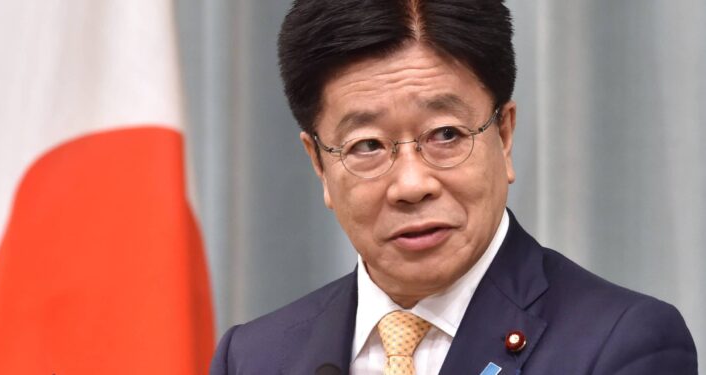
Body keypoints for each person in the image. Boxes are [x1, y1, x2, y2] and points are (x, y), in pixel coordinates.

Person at [210, 0, 698, 374]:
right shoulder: (255, 356)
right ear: (319, 163)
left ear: (504, 136)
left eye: (446, 135)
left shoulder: (621, 345)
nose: (411, 184)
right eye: (367, 146)